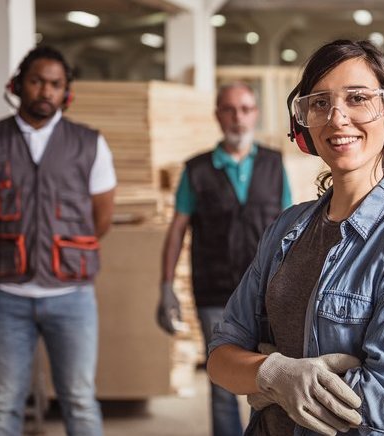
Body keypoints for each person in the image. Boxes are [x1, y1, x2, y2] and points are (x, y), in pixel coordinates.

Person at [205, 39, 384, 436]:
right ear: (302, 124)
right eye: (320, 103)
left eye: (357, 99)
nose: (337, 119)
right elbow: (219, 357)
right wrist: (275, 371)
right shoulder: (286, 228)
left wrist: (264, 383)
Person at [0, 46, 116, 436]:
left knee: (79, 400)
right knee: (3, 404)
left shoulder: (90, 143)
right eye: (36, 81)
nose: (45, 91)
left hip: (72, 295)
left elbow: (101, 220)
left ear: (67, 92)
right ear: (16, 85)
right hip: (5, 295)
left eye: (55, 84)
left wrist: (60, 251)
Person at [156, 82, 292, 436]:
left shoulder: (273, 164)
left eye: (246, 109)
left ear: (256, 114)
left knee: (268, 384)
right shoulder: (197, 170)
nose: (238, 118)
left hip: (267, 296)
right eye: (230, 110)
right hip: (215, 294)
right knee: (222, 384)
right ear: (218, 115)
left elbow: (293, 229)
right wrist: (166, 286)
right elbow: (177, 229)